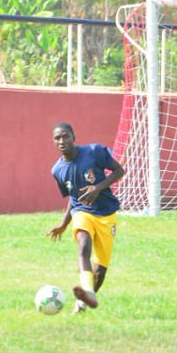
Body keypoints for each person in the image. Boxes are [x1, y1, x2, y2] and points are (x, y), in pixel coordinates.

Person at [46, 122, 125, 313]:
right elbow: (73, 198)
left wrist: (98, 187)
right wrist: (64, 224)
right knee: (83, 245)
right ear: (53, 142)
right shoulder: (57, 170)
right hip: (83, 212)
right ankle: (87, 290)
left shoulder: (94, 152)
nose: (62, 141)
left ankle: (83, 302)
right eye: (57, 138)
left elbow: (119, 171)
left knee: (101, 271)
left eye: (65, 136)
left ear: (74, 137)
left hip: (107, 214)